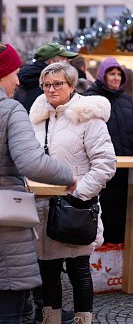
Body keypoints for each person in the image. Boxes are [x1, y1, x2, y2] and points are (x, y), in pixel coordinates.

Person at [29, 62, 116, 324]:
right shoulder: (37, 116)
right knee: (48, 272)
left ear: (71, 85)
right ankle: (51, 319)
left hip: (75, 209)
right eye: (46, 85)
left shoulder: (88, 117)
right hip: (42, 209)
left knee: (79, 271)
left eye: (57, 84)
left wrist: (78, 195)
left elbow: (105, 164)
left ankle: (83, 320)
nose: (51, 89)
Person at [0, 44, 76, 324]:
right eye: (14, 73)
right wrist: (67, 175)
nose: (18, 81)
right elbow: (31, 162)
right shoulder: (9, 110)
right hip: (5, 223)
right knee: (9, 310)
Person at [85, 58, 133, 244]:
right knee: (104, 218)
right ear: (103, 75)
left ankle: (118, 267)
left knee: (123, 217)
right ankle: (101, 267)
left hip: (126, 169)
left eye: (119, 74)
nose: (116, 78)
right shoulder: (91, 98)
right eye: (112, 73)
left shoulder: (124, 98)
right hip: (103, 169)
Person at [14, 42, 78, 113]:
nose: (68, 64)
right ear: (52, 63)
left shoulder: (19, 79)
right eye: (64, 61)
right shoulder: (53, 87)